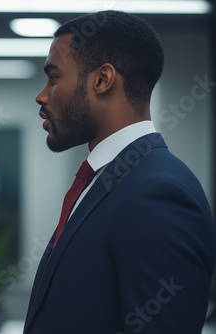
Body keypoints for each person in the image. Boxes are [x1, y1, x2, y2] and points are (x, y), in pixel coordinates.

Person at [24, 10, 216, 334]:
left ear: (102, 80)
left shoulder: (159, 193)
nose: (41, 95)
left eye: (54, 77)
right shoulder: (102, 179)